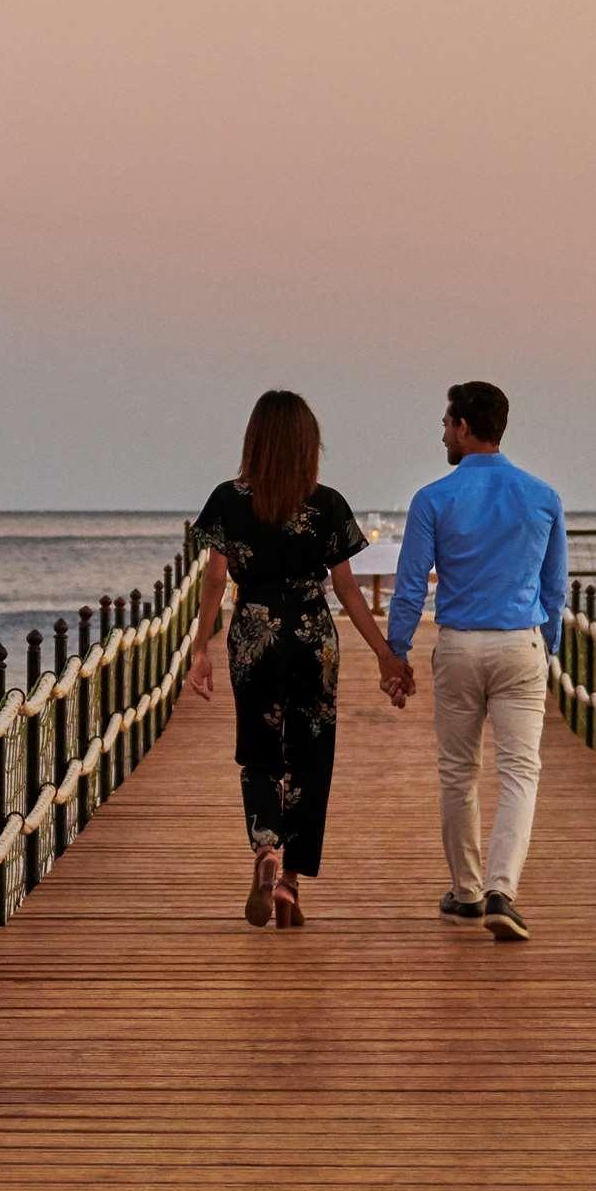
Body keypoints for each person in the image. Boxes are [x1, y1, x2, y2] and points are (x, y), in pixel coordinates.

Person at [184, 390, 413, 928]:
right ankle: (288, 883)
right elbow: (348, 588)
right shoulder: (326, 503)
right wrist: (385, 655)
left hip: (253, 633)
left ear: (254, 439)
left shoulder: (227, 498)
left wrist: (200, 649)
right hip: (312, 636)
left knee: (259, 746)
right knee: (312, 755)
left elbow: (215, 577)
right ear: (309, 444)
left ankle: (264, 847)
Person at [383, 380, 566, 943]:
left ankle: (465, 893)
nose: (443, 432)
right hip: (519, 644)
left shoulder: (433, 499)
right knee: (519, 773)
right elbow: (554, 588)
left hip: (460, 644)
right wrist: (549, 646)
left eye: (445, 423)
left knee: (459, 772)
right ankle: (501, 891)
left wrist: (397, 654)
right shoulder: (542, 496)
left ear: (463, 427)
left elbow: (411, 587)